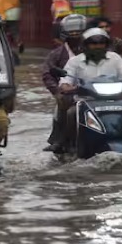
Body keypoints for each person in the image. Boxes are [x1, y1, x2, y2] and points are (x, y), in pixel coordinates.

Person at [54, 28, 122, 152]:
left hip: (115, 100)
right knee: (71, 113)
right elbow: (65, 80)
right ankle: (64, 143)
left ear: (106, 45)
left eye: (102, 43)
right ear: (86, 45)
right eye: (94, 43)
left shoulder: (115, 58)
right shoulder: (75, 61)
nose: (98, 46)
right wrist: (67, 87)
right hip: (85, 101)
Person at [41, 13, 87, 152]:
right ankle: (59, 140)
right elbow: (47, 73)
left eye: (77, 31)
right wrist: (56, 91)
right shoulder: (57, 54)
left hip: (94, 90)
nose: (74, 34)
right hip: (69, 92)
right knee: (63, 104)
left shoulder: (99, 52)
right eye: (71, 31)